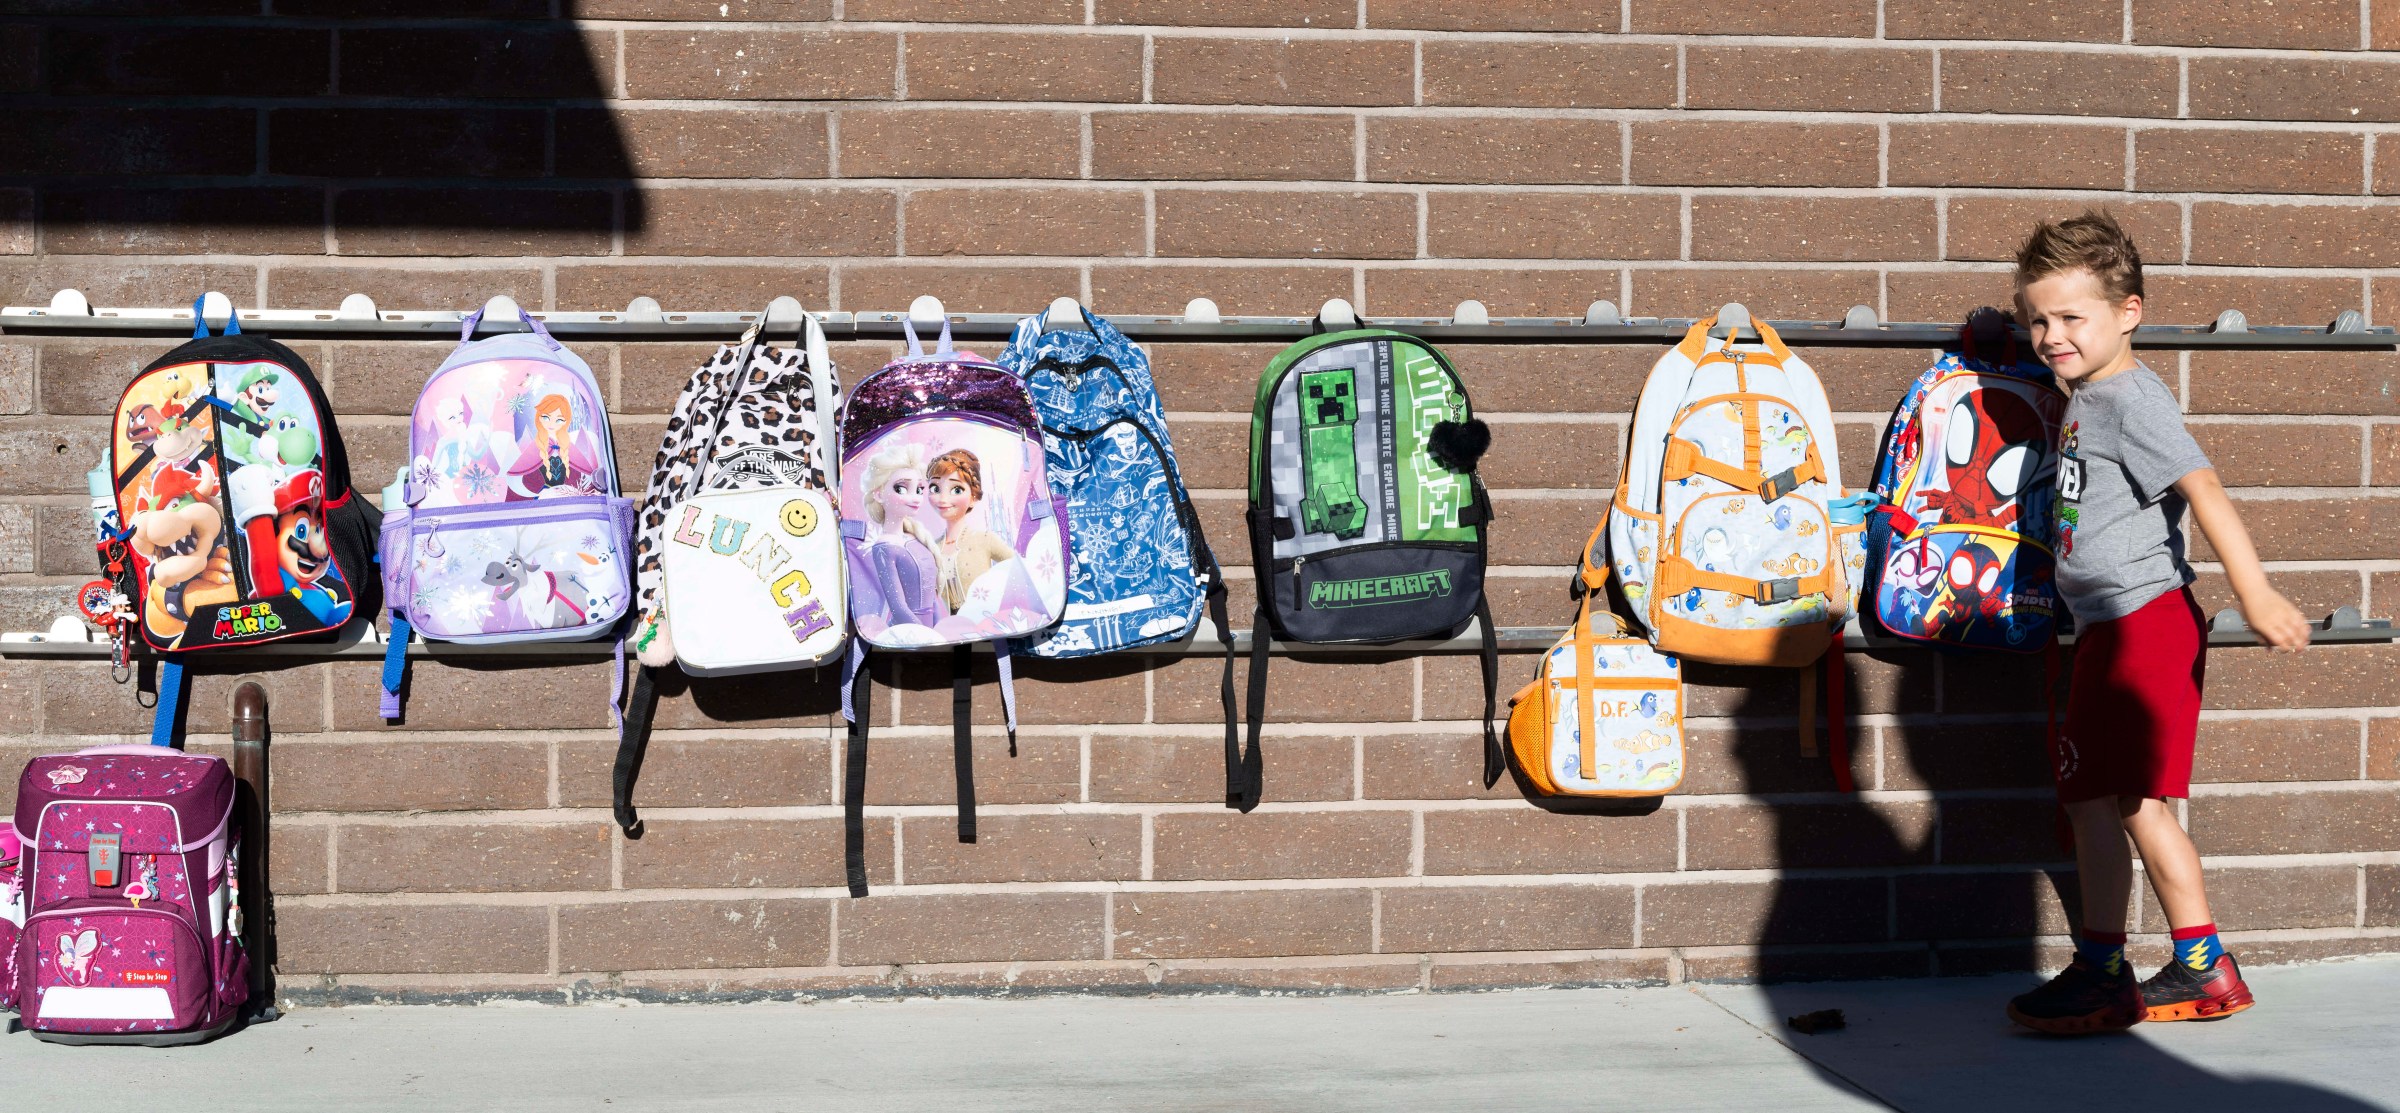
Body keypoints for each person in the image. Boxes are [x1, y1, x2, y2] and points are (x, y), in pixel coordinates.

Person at [2003, 210, 2313, 1035]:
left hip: (2144, 624)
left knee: (2116, 800)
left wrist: (2255, 593)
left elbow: (2201, 487)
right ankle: (2154, 967)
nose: (2050, 335)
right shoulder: (2089, 392)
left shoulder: (2128, 399)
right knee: (2113, 801)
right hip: (2113, 626)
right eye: (2037, 319)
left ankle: (2154, 967)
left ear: (2128, 313)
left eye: (2072, 317)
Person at [858, 441, 941, 632]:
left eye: (920, 489)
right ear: (878, 495)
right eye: (901, 488)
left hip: (931, 635)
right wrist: (924, 635)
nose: (916, 497)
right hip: (907, 633)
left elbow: (932, 596)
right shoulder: (884, 547)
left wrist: (939, 629)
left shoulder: (915, 538)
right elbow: (898, 607)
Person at [925, 448, 1019, 616]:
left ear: (974, 497)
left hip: (985, 626)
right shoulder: (931, 548)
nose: (943, 498)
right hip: (946, 630)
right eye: (935, 488)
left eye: (956, 490)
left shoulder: (984, 539)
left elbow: (1019, 570)